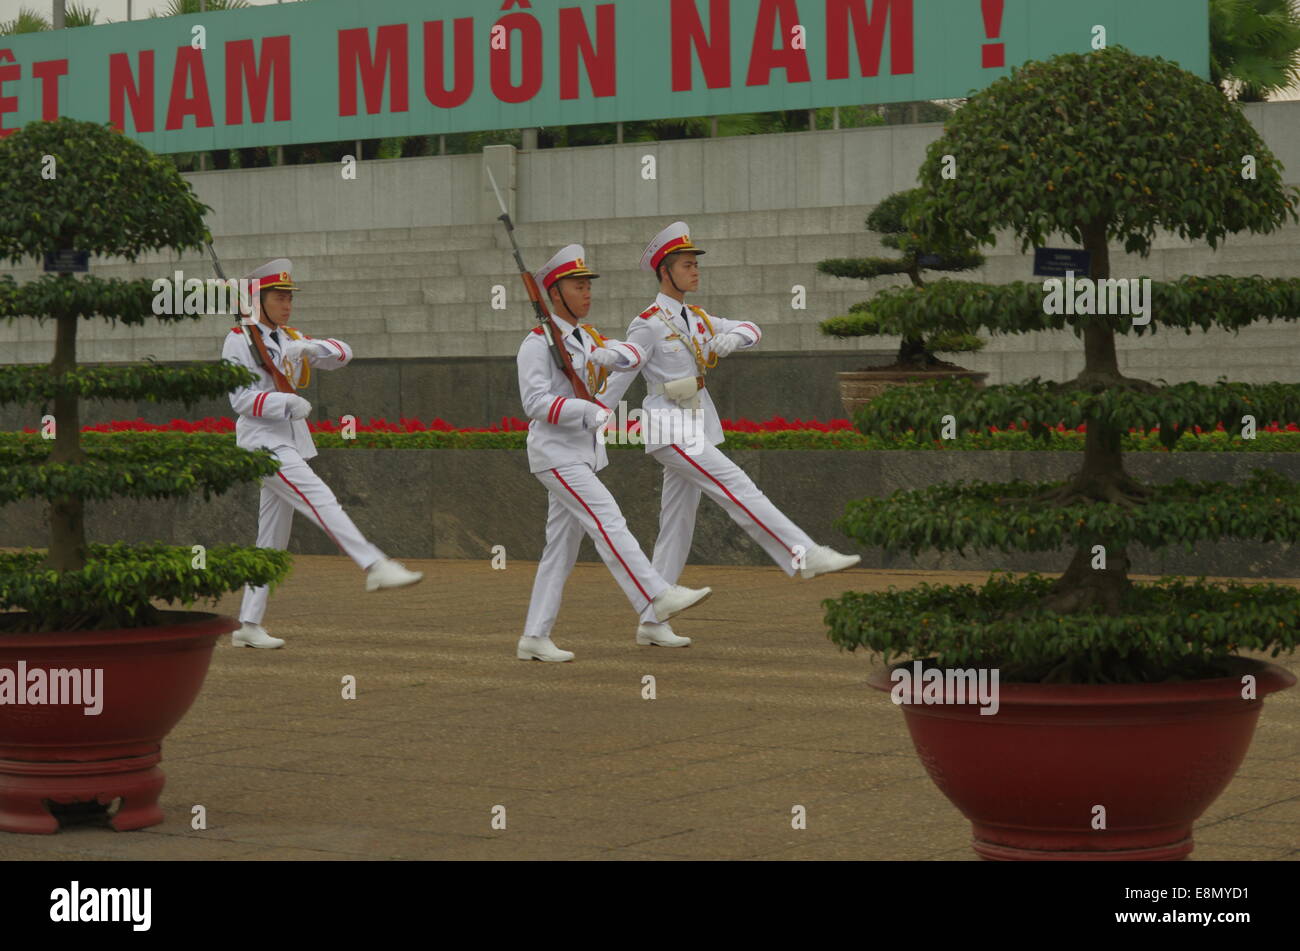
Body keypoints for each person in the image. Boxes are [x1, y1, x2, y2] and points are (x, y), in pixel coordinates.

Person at [600, 222, 862, 648]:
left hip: (696, 420)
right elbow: (617, 380)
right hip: (668, 424)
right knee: (736, 484)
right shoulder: (646, 324)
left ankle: (652, 619)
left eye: (694, 264)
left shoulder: (698, 318)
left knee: (677, 524)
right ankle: (802, 554)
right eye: (686, 265)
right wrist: (592, 422)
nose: (695, 271)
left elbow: (753, 329)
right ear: (665, 272)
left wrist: (730, 338)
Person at [516, 244, 713, 662]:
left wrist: (620, 353)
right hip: (556, 454)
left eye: (588, 285)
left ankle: (534, 635)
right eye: (577, 286)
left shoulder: (585, 338)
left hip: (580, 454)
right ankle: (654, 596)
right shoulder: (536, 344)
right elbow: (534, 403)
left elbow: (621, 356)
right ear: (554, 294)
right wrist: (587, 410)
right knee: (608, 518)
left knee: (561, 548)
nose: (587, 293)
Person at [222, 259, 422, 649]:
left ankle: (248, 623)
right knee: (319, 498)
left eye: (288, 297)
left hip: (290, 442)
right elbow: (241, 398)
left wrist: (312, 347)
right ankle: (374, 564)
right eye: (278, 297)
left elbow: (343, 354)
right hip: (263, 444)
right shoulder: (238, 340)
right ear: (256, 301)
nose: (287, 304)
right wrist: (284, 403)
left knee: (271, 541)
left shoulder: (288, 336)